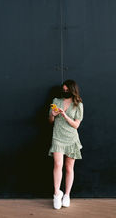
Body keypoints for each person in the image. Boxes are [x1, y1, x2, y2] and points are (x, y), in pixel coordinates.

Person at [48, 79, 83, 209]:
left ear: (73, 90)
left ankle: (67, 195)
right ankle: (57, 194)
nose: (65, 91)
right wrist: (53, 114)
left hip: (71, 139)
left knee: (69, 168)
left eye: (67, 90)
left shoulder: (78, 104)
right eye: (63, 89)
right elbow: (50, 121)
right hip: (57, 137)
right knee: (57, 165)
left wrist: (64, 115)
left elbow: (76, 125)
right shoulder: (56, 101)